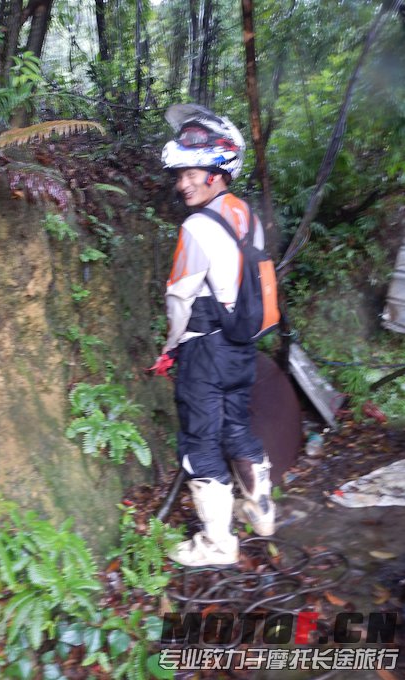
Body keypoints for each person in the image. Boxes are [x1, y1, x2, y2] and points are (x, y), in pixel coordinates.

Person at [150, 103, 275, 567]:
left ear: (217, 172)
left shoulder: (197, 227)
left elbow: (180, 298)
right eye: (179, 174)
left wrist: (169, 347)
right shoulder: (249, 217)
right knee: (237, 427)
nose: (182, 183)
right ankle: (261, 513)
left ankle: (218, 544)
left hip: (204, 349)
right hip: (242, 346)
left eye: (190, 173)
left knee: (200, 440)